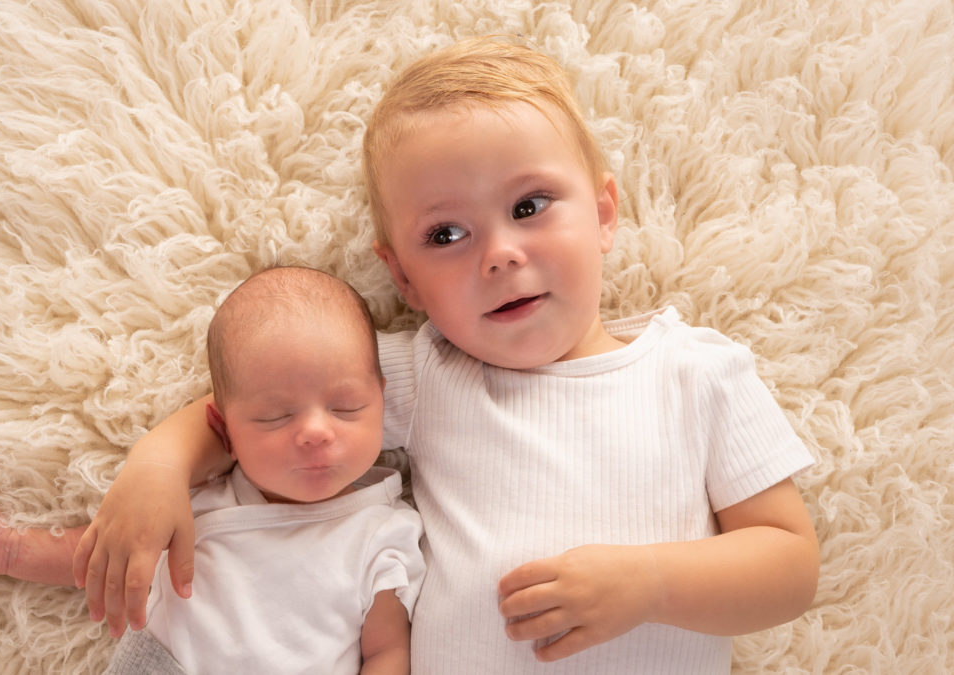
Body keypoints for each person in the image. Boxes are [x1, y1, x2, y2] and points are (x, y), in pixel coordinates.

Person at [72, 37, 820, 673]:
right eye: (446, 236)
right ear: (403, 278)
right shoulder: (433, 373)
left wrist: (650, 581)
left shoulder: (696, 371)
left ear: (602, 213)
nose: (498, 254)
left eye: (529, 207)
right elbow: (264, 402)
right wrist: (159, 466)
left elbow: (790, 566)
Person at [0, 266, 426, 675]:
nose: (316, 432)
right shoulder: (196, 504)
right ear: (225, 431)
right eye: (276, 417)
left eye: (346, 407)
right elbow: (105, 558)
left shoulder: (384, 532)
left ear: (382, 398)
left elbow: (385, 648)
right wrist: (12, 550)